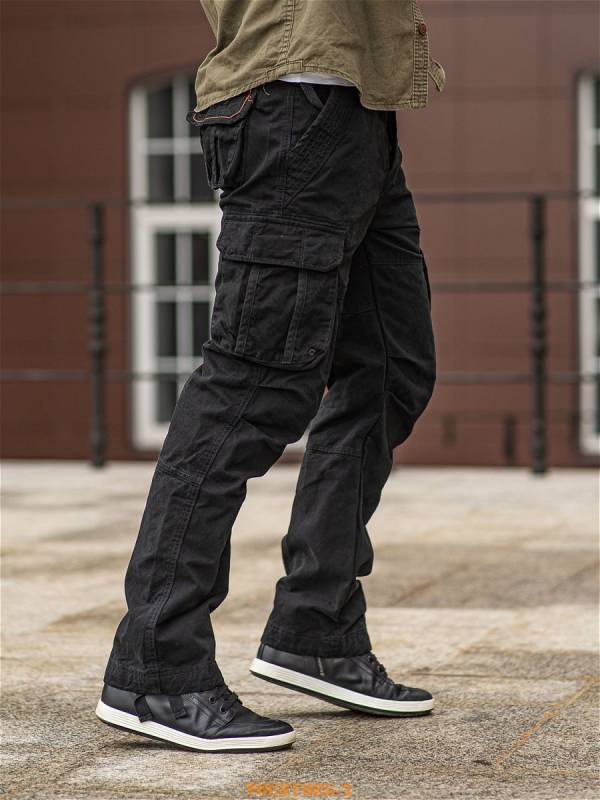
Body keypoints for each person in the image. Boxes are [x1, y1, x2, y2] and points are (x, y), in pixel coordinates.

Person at [96, 0, 446, 753]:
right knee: (252, 386)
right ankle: (158, 667)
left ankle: (315, 629)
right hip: (295, 105)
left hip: (356, 109)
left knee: (392, 368)